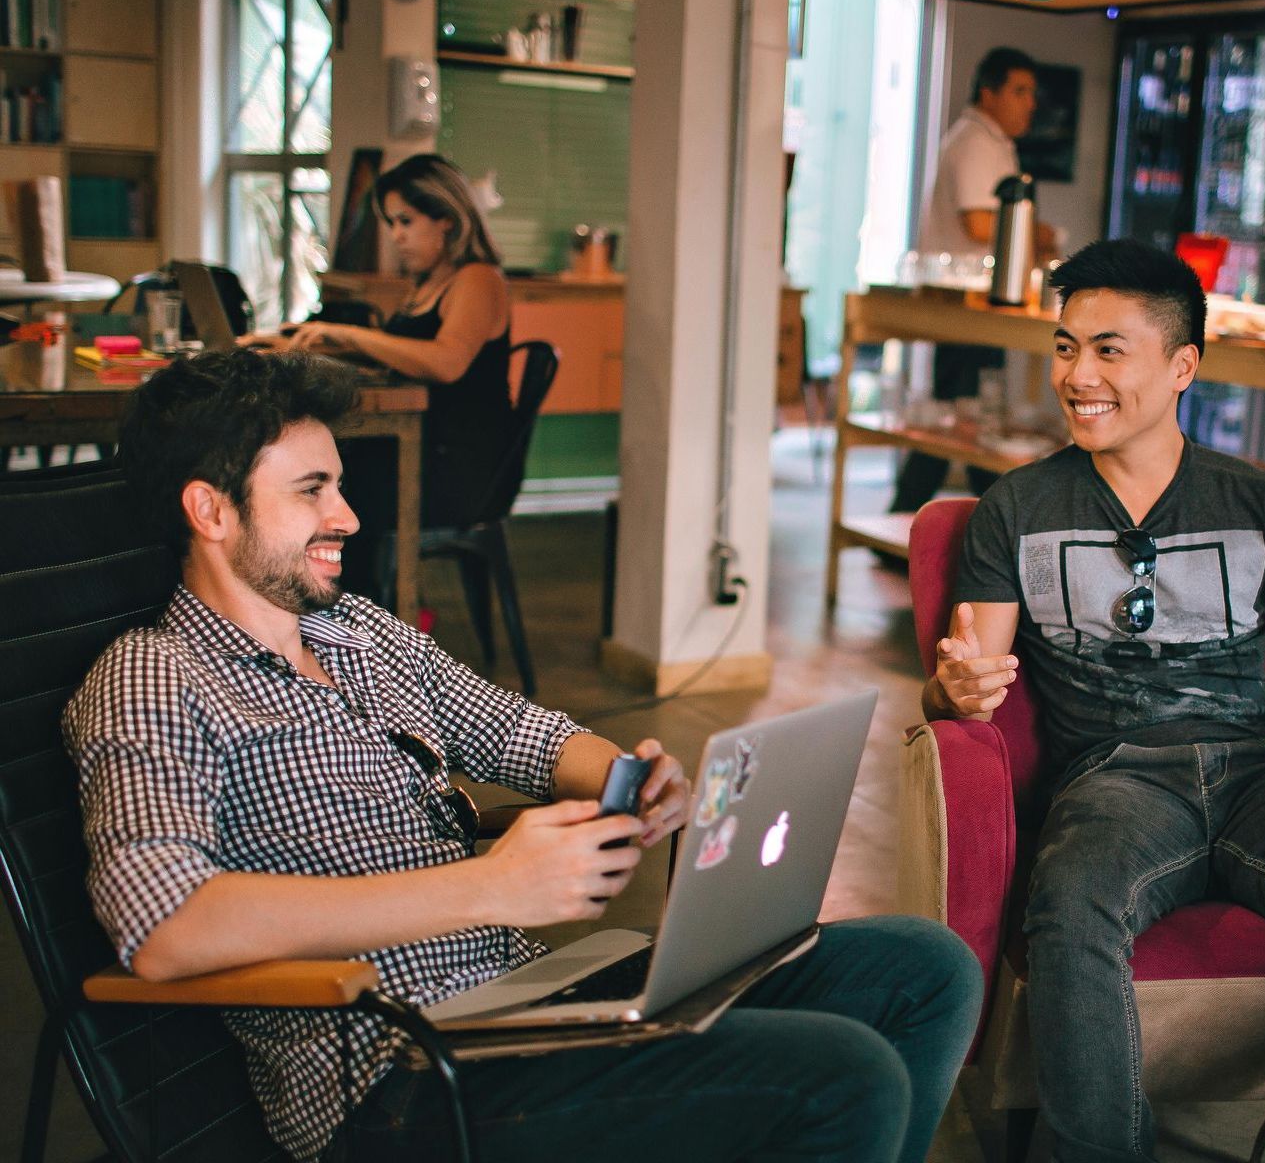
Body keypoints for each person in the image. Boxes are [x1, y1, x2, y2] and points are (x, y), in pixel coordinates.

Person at [64, 349, 981, 1163]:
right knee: (841, 1076)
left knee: (923, 968)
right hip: (396, 1078)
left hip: (523, 1002)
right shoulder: (153, 677)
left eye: (338, 484)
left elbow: (516, 732)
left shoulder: (355, 633)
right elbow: (165, 926)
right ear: (210, 510)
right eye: (311, 490)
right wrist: (490, 887)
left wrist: (628, 778)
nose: (347, 514)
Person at [923, 239, 1265, 1162]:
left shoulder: (1263, 503)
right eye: (1066, 347)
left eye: (1108, 350)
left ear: (1182, 365)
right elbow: (971, 678)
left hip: (1264, 770)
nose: (1078, 376)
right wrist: (954, 687)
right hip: (1115, 777)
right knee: (1073, 900)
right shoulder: (1017, 508)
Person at [243, 153, 518, 596]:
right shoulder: (429, 283)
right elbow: (400, 359)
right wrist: (305, 345)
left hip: (457, 467)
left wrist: (348, 335)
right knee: (314, 474)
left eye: (405, 221)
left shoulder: (479, 280)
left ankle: (347, 616)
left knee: (324, 486)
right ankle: (320, 609)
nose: (396, 236)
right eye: (392, 223)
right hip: (423, 446)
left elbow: (446, 362)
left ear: (446, 218)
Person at [890, 47, 1056, 515]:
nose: (1030, 104)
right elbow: (982, 225)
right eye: (1019, 91)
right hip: (967, 304)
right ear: (989, 92)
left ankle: (971, 523)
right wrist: (1040, 233)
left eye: (1032, 93)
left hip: (979, 304)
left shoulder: (989, 142)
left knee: (968, 419)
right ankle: (981, 525)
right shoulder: (976, 143)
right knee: (965, 422)